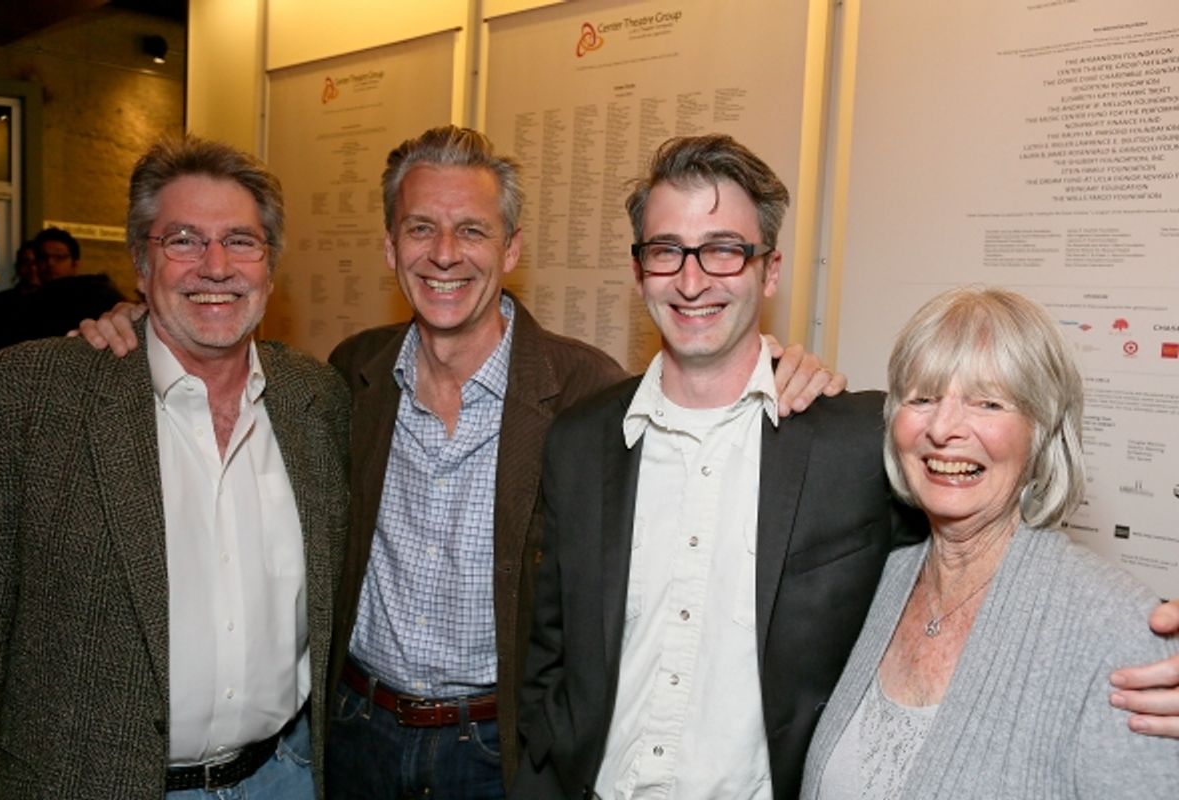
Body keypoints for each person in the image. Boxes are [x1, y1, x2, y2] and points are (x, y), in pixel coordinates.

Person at [76, 125, 846, 800]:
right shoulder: (348, 377)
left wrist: (775, 367)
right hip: (354, 733)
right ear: (389, 247)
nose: (445, 255)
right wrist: (144, 321)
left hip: (495, 748)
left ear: (511, 248)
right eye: (420, 229)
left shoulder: (588, 393)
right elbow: (218, 344)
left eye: (473, 231)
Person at [512, 135, 1179, 800]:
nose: (692, 280)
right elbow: (550, 657)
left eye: (723, 249)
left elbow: (1009, 557)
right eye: (666, 252)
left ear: (768, 271)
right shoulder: (578, 440)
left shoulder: (853, 441)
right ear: (638, 272)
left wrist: (1142, 639)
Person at [0, 136, 350, 799]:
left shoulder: (317, 403)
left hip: (284, 779)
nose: (215, 266)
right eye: (183, 240)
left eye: (241, 241)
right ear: (140, 263)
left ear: (270, 265)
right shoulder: (28, 397)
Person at [799, 287, 1178, 798]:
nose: (943, 428)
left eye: (988, 402)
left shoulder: (1118, 628)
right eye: (924, 398)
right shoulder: (874, 580)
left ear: (1041, 431)